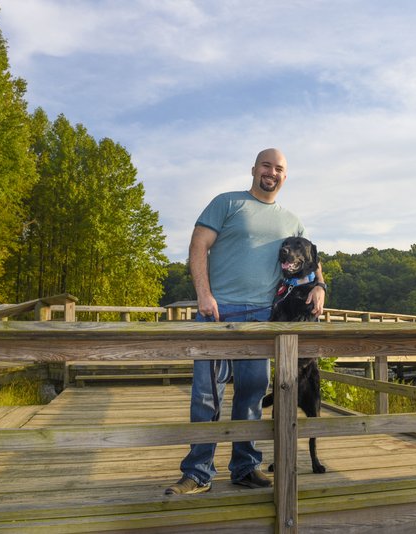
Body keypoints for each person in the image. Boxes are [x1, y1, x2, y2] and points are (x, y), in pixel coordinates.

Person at [165, 148, 326, 495]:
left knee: (252, 396)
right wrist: (204, 294)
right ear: (254, 169)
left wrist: (321, 287)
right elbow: (198, 245)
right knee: (207, 396)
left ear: (285, 176)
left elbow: (313, 260)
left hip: (264, 318)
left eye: (279, 168)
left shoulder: (292, 221)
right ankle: (197, 473)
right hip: (219, 313)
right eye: (266, 165)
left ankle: (245, 467)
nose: (272, 172)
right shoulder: (227, 203)